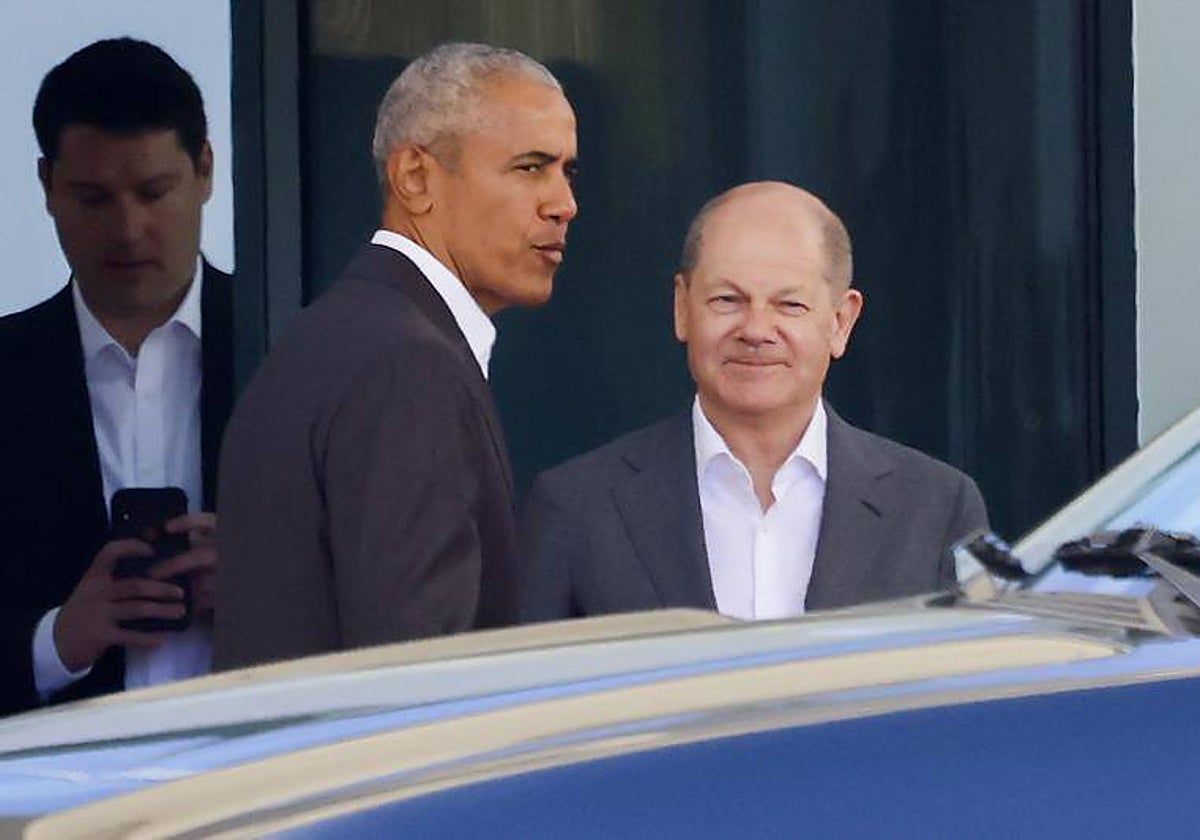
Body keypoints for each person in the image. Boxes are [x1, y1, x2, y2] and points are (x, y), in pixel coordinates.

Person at [214, 42, 578, 669]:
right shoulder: (408, 366)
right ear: (415, 178)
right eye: (530, 168)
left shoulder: (345, 334)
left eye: (568, 172)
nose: (563, 203)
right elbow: (417, 677)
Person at [519, 181, 987, 621]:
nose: (757, 330)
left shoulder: (937, 508)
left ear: (841, 322)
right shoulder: (578, 506)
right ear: (682, 308)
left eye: (790, 305)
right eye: (727, 300)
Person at [0, 38, 233, 715]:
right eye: (94, 199)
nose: (128, 229)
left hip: (269, 767)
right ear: (47, 187)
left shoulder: (296, 351)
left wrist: (273, 589)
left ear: (205, 170)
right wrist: (56, 641)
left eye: (153, 193)